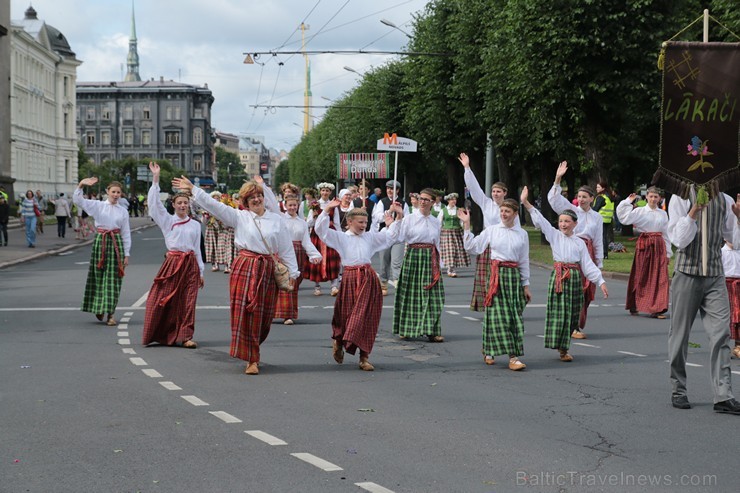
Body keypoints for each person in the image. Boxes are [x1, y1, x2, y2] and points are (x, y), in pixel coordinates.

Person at [173, 175, 299, 375]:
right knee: (245, 313)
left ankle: (253, 348)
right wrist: (193, 189)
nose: (256, 200)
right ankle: (251, 358)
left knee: (264, 317)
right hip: (244, 267)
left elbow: (285, 247)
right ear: (245, 202)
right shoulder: (239, 217)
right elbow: (214, 206)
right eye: (251, 198)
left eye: (258, 196)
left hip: (266, 269)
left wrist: (293, 272)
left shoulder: (276, 219)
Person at [667, 192, 740, 414]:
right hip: (687, 272)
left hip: (716, 275)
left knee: (721, 335)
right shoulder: (679, 197)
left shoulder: (725, 200)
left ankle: (723, 395)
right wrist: (693, 212)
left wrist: (738, 218)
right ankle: (678, 389)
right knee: (680, 336)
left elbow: (735, 242)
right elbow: (678, 240)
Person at [521, 186, 608, 362]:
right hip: (560, 276)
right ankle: (561, 347)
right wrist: (526, 203)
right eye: (561, 221)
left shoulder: (579, 243)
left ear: (575, 224)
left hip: (575, 277)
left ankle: (565, 343)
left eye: (567, 221)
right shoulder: (554, 236)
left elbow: (587, 264)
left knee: (572, 314)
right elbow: (542, 221)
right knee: (559, 313)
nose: (563, 225)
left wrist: (601, 281)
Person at [316, 201, 402, 371]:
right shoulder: (341, 237)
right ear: (349, 222)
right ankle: (339, 341)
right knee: (346, 315)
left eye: (365, 222)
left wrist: (398, 217)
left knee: (366, 317)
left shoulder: (370, 237)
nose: (364, 225)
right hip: (350, 278)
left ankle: (364, 357)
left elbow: (390, 237)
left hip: (368, 278)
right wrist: (326, 210)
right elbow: (321, 231)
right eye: (360, 222)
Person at [459, 199, 531, 370]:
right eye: (502, 211)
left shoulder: (522, 234)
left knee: (513, 317)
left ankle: (489, 348)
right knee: (498, 315)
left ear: (515, 214)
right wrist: (467, 225)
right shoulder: (491, 230)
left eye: (507, 211)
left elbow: (524, 260)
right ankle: (513, 357)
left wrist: (526, 285)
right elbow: (472, 247)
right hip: (496, 277)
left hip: (513, 277)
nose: (504, 214)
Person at [142, 162, 204, 349]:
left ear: (189, 205)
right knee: (163, 298)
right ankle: (161, 332)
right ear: (174, 205)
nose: (183, 205)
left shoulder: (195, 224)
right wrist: (155, 178)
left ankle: (186, 336)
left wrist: (201, 271)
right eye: (179, 203)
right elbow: (154, 206)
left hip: (190, 264)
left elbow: (197, 250)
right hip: (173, 263)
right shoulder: (168, 221)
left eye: (185, 203)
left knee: (188, 300)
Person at [547, 161, 603, 339]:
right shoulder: (571, 210)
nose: (581, 199)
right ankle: (571, 326)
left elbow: (598, 241)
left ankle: (578, 324)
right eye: (579, 196)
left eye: (585, 196)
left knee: (586, 291)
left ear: (592, 198)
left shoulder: (597, 217)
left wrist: (598, 263)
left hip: (588, 252)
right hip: (573, 250)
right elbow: (554, 200)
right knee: (573, 288)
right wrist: (557, 178)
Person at [458, 153, 516, 312]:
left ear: (505, 192)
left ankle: (503, 305)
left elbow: (515, 229)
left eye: (498, 191)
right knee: (486, 277)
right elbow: (475, 189)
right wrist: (467, 168)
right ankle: (488, 304)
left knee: (502, 277)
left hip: (504, 245)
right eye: (494, 191)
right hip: (488, 245)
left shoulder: (511, 208)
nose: (495, 194)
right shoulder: (486, 203)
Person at [74, 178, 131, 326]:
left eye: (118, 192)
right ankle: (99, 308)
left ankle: (110, 313)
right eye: (113, 192)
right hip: (101, 241)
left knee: (113, 279)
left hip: (116, 242)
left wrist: (127, 254)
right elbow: (78, 200)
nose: (116, 194)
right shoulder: (98, 206)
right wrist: (81, 185)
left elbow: (126, 233)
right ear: (107, 192)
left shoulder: (123, 211)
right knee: (98, 276)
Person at [393, 188, 445, 342]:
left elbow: (437, 243)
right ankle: (406, 329)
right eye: (421, 198)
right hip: (413, 256)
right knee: (410, 294)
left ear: (433, 202)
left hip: (430, 258)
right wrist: (397, 219)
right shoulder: (409, 218)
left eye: (426, 199)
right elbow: (400, 237)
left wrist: (440, 264)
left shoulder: (436, 221)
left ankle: (431, 330)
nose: (422, 202)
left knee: (433, 295)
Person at [616, 187, 672, 318]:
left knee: (659, 277)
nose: (653, 199)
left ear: (660, 199)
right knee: (640, 275)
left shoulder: (663, 214)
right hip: (645, 245)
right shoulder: (640, 211)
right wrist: (627, 202)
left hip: (658, 245)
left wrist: (668, 253)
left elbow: (666, 233)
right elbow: (624, 218)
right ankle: (634, 303)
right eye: (651, 196)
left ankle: (657, 308)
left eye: (656, 197)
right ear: (646, 196)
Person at [274, 194, 322, 325]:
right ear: (285, 206)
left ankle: (289, 313)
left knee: (294, 283)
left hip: (299, 253)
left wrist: (314, 255)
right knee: (285, 281)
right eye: (290, 205)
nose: (292, 207)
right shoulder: (280, 219)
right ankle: (285, 315)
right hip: (284, 251)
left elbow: (306, 241)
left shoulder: (302, 222)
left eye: (295, 205)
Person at [372, 180, 410, 295]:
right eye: (388, 188)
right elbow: (378, 217)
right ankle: (383, 283)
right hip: (385, 235)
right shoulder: (382, 202)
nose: (390, 191)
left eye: (392, 189)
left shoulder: (403, 204)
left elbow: (407, 221)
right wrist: (390, 211)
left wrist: (399, 216)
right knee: (384, 261)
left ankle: (398, 283)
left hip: (398, 237)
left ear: (397, 190)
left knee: (396, 262)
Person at [305, 183, 341, 296]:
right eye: (323, 190)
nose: (325, 193)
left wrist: (339, 236)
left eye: (327, 191)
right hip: (317, 234)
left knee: (332, 258)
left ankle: (334, 286)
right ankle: (317, 286)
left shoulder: (333, 205)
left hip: (329, 233)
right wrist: (315, 216)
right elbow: (309, 223)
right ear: (320, 192)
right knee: (317, 258)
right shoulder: (315, 205)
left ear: (330, 192)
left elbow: (337, 223)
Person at [438, 192, 470, 277]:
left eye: (455, 199)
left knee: (455, 251)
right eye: (452, 199)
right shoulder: (443, 211)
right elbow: (439, 223)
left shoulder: (459, 210)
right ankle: (450, 269)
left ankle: (452, 268)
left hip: (457, 232)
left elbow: (461, 222)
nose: (454, 201)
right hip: (446, 233)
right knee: (450, 250)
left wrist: (465, 227)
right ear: (448, 200)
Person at [722, 238, 740, 360]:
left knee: (738, 316)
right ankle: (723, 346)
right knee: (725, 317)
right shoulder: (721, 252)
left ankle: (738, 345)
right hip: (725, 285)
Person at [593, 182, 615, 259]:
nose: (596, 189)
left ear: (603, 188)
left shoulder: (601, 197)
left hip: (600, 219)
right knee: (604, 236)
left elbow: (595, 209)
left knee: (601, 237)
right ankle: (605, 254)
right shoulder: (609, 197)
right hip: (607, 219)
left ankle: (603, 254)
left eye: (598, 187)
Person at [204, 191, 222, 271]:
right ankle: (214, 264)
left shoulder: (223, 208)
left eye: (218, 198)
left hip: (220, 230)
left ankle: (226, 264)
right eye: (214, 198)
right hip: (211, 229)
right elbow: (204, 222)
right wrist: (207, 216)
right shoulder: (207, 208)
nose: (216, 200)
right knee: (211, 247)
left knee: (221, 247)